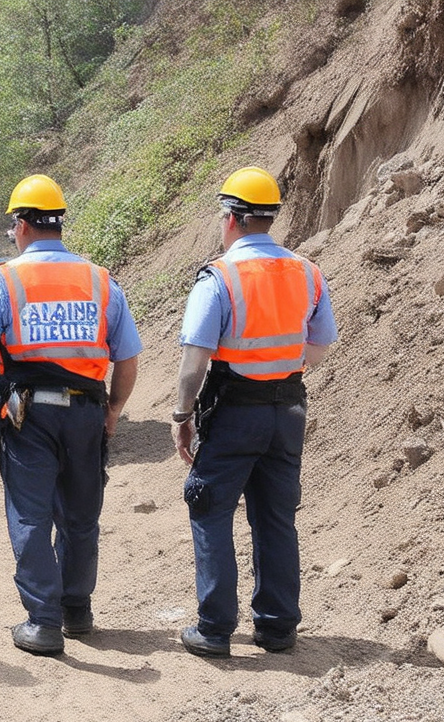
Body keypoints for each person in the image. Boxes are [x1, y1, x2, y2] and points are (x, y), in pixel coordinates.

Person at [0, 174, 142, 656]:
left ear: (21, 225)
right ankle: (77, 611)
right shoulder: (100, 280)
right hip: (86, 413)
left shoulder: (5, 279)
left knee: (32, 515)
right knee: (81, 515)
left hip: (26, 416)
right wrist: (114, 410)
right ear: (59, 224)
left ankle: (43, 621)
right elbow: (128, 357)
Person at [171, 167, 338, 658]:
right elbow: (321, 345)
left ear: (231, 218)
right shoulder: (306, 271)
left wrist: (182, 417)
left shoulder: (219, 276)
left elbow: (194, 360)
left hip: (232, 412)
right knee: (276, 517)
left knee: (210, 509)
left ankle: (216, 629)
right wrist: (282, 369)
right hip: (287, 409)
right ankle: (277, 627)